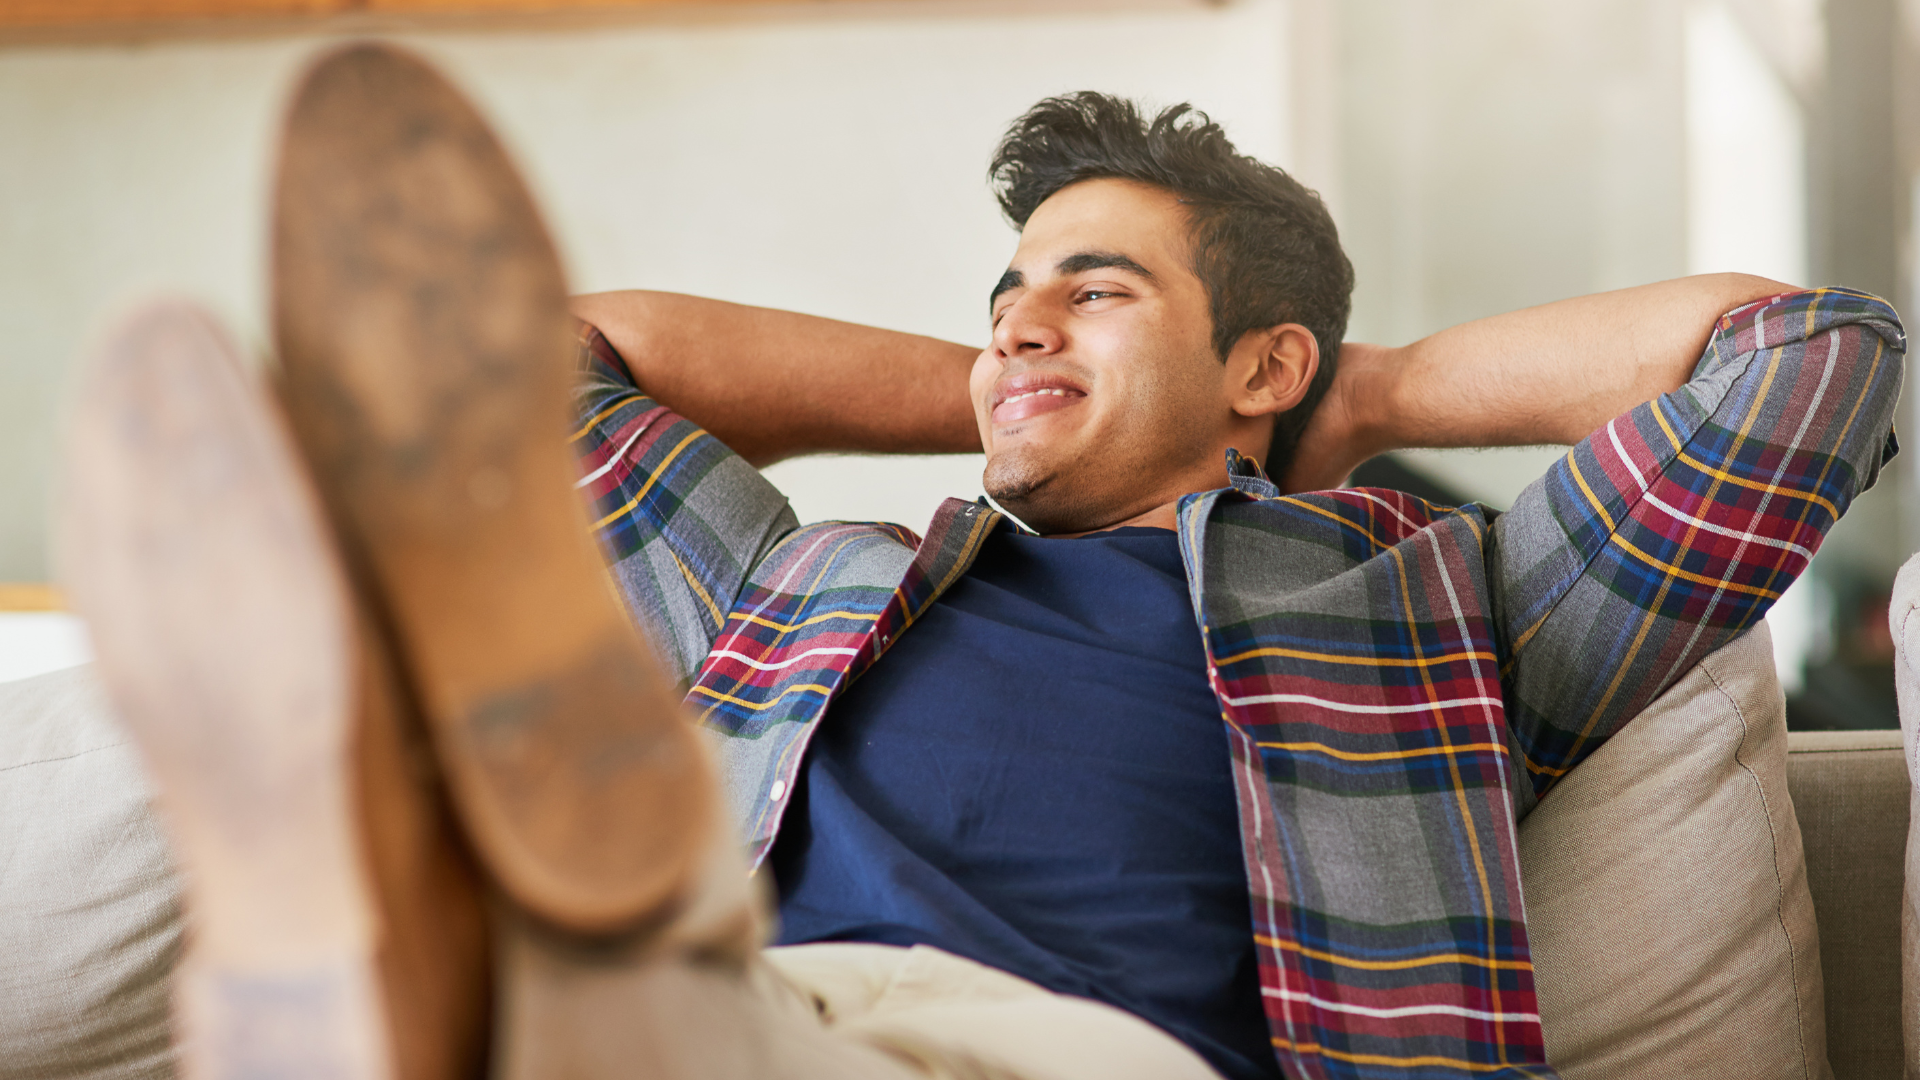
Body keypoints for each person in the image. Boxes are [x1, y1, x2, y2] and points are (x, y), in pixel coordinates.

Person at [32, 41, 1906, 1080]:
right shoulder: (807, 583)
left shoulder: (1433, 607)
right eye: (1001, 296)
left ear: (1261, 363)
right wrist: (1009, 387)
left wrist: (1365, 391)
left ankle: (410, 945)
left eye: (1096, 291)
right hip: (758, 1009)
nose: (1019, 324)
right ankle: (422, 939)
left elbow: (1815, 358)